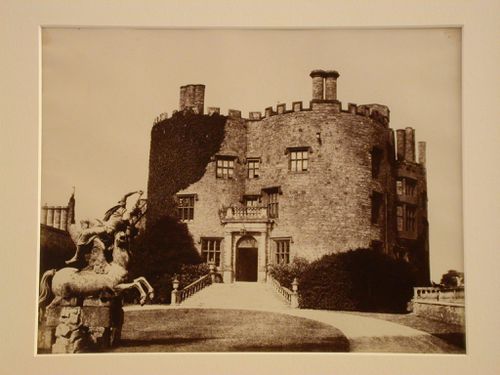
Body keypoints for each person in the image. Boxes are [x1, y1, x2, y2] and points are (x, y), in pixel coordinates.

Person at [65, 190, 143, 267]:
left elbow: (127, 217)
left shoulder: (125, 212)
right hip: (103, 224)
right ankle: (86, 244)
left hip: (107, 229)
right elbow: (125, 195)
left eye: (121, 201)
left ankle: (77, 257)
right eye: (120, 201)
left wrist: (129, 213)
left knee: (85, 233)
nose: (119, 201)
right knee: (88, 220)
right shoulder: (119, 207)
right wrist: (137, 192)